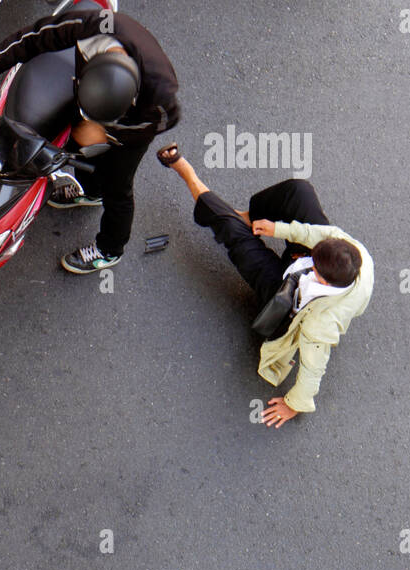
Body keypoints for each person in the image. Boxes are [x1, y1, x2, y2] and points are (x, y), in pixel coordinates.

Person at [157, 145, 373, 426]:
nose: (307, 254)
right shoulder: (349, 249)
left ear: (320, 277)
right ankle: (246, 216)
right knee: (300, 192)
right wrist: (277, 229)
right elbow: (313, 234)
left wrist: (294, 405)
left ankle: (190, 177)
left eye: (313, 261)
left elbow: (313, 369)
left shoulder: (319, 327)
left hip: (286, 302)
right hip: (310, 276)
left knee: (235, 235)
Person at [0, 6, 180, 273]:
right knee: (75, 147)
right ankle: (90, 192)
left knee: (117, 187)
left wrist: (109, 133)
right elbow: (33, 37)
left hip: (128, 128)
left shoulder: (160, 88)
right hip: (87, 97)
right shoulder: (91, 26)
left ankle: (109, 249)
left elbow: (163, 121)